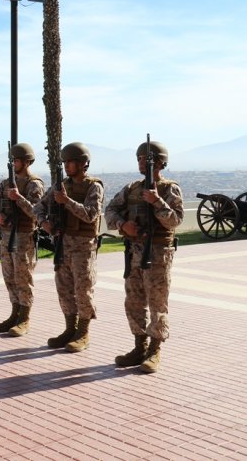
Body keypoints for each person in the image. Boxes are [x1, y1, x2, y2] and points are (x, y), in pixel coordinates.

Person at [105, 140, 183, 373]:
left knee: (157, 302)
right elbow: (110, 210)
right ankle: (140, 346)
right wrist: (123, 225)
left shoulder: (169, 189)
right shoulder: (131, 189)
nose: (141, 162)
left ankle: (155, 349)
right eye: (139, 158)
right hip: (134, 252)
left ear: (161, 163)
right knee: (134, 301)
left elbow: (175, 220)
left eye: (146, 159)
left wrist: (157, 201)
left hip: (158, 254)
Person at [34, 142, 104, 353]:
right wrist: (42, 222)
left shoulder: (94, 186)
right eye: (65, 162)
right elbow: (39, 205)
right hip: (63, 245)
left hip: (83, 247)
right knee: (64, 290)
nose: (67, 165)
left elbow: (91, 214)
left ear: (83, 163)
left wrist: (67, 201)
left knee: (83, 290)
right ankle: (69, 329)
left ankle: (83, 332)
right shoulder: (60, 185)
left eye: (70, 162)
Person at [0, 143, 44, 336]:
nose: (13, 164)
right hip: (6, 236)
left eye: (17, 160)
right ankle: (15, 313)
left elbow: (37, 212)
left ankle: (24, 318)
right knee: (9, 277)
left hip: (24, 237)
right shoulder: (5, 184)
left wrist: (18, 198)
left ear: (27, 162)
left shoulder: (34, 184)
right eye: (12, 160)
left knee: (23, 278)